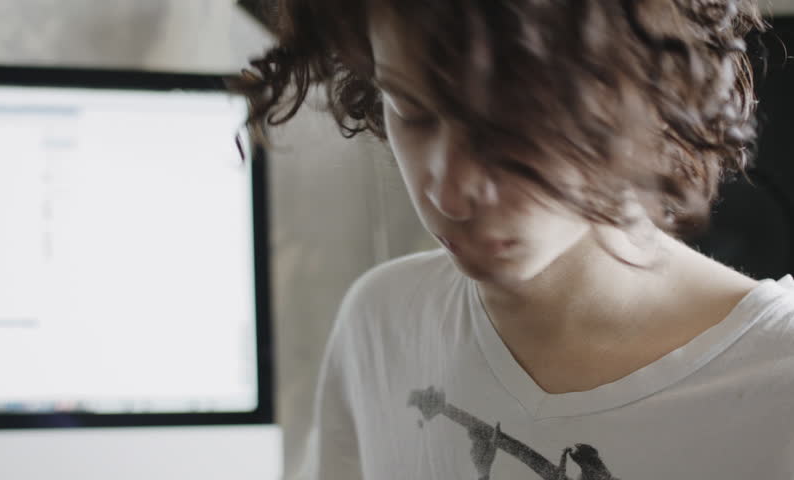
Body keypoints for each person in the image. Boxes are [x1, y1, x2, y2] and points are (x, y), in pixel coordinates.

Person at [233, 0, 794, 478]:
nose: (448, 193)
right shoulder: (380, 325)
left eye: (511, 128)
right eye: (413, 109)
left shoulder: (777, 382)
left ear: (644, 93)